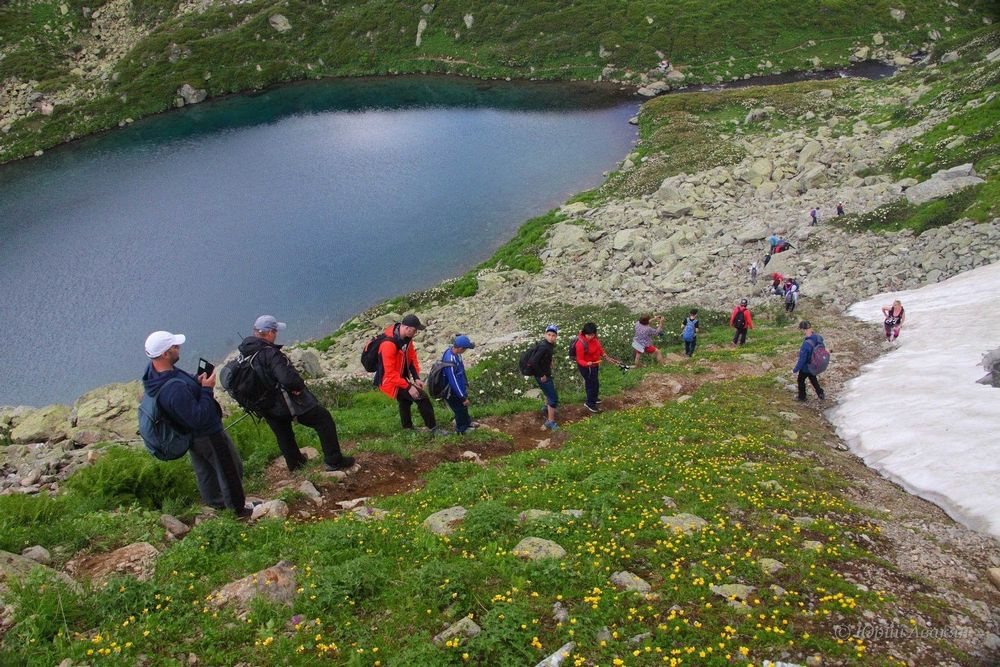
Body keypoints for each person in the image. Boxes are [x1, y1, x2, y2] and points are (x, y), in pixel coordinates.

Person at [141, 331, 251, 519]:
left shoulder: (155, 373)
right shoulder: (174, 389)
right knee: (230, 468)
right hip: (206, 433)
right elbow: (198, 417)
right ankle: (238, 511)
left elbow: (181, 387)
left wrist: (195, 381)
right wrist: (207, 389)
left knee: (205, 471)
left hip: (190, 436)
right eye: (175, 347)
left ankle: (217, 503)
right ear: (165, 354)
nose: (179, 349)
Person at [238, 316, 354, 472]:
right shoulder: (270, 353)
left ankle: (295, 464)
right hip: (283, 402)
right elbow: (287, 379)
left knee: (283, 434)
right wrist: (298, 386)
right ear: (270, 333)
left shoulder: (244, 353)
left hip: (264, 406)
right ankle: (334, 460)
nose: (276, 334)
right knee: (323, 419)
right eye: (275, 331)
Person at [377, 314, 445, 434]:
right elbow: (390, 374)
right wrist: (409, 387)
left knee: (405, 400)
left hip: (399, 377)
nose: (415, 333)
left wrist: (416, 377)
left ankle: (407, 427)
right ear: (406, 328)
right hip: (390, 381)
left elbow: (411, 358)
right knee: (422, 397)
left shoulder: (406, 339)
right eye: (414, 330)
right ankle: (433, 429)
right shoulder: (389, 344)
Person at [574, 322, 623, 413]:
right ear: (585, 333)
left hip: (594, 365)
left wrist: (604, 354)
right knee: (590, 384)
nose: (590, 337)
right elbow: (579, 359)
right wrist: (586, 363)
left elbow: (598, 348)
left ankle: (594, 398)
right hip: (586, 367)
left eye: (592, 335)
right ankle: (589, 403)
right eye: (588, 335)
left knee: (595, 382)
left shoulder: (595, 339)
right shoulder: (580, 344)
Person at [526, 325, 560, 431]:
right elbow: (533, 362)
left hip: (542, 374)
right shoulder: (544, 346)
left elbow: (544, 357)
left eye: (553, 335)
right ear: (545, 335)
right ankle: (550, 421)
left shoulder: (547, 345)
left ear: (556, 336)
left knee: (547, 392)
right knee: (553, 398)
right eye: (549, 335)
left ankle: (546, 408)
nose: (551, 337)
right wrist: (542, 375)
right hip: (542, 375)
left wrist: (550, 362)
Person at [442, 335, 475, 434]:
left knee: (464, 407)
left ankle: (467, 422)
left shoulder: (455, 353)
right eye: (465, 349)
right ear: (460, 348)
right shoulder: (450, 360)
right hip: (452, 391)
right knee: (459, 409)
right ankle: (461, 430)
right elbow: (453, 381)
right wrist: (462, 397)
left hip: (459, 388)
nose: (465, 351)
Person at [793, 320, 826, 402]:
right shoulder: (818, 337)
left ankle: (802, 396)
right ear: (810, 327)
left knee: (800, 380)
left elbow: (802, 359)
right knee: (813, 378)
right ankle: (820, 393)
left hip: (806, 367)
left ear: (804, 330)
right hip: (815, 364)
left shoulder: (806, 344)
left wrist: (795, 369)